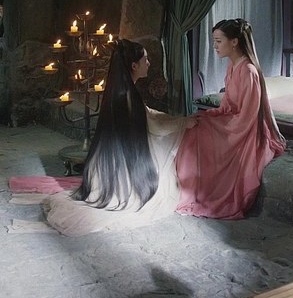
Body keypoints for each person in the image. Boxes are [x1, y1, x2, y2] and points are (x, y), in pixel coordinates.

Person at [43, 39, 193, 236]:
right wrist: (183, 123)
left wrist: (177, 120)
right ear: (134, 66)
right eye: (145, 60)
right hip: (120, 165)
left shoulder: (120, 90)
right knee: (165, 181)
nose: (148, 63)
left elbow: (148, 114)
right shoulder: (127, 95)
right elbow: (154, 126)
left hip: (109, 160)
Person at [175, 18, 286, 219]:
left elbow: (248, 116)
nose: (215, 46)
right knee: (195, 124)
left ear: (234, 42)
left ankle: (200, 192)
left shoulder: (249, 71)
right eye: (214, 41)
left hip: (245, 128)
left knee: (200, 132)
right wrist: (211, 115)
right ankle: (190, 189)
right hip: (234, 120)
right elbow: (227, 105)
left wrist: (222, 126)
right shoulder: (232, 66)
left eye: (219, 41)